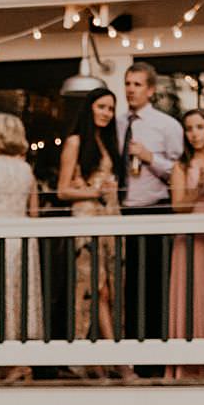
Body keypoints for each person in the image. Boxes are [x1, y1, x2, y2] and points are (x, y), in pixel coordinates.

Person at [57, 87, 125, 376]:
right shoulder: (75, 141)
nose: (106, 114)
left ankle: (102, 358)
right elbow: (62, 190)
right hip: (86, 219)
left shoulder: (107, 141)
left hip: (109, 218)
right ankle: (113, 358)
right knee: (94, 289)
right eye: (101, 107)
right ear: (90, 108)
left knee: (111, 288)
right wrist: (93, 191)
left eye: (110, 109)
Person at [0, 111, 42, 381]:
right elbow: (34, 212)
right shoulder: (26, 170)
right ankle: (20, 360)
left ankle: (8, 360)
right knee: (21, 295)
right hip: (24, 236)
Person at [119, 61, 184, 341]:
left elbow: (180, 170)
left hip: (154, 209)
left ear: (151, 90)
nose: (131, 90)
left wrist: (150, 158)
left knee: (154, 284)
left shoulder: (167, 125)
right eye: (128, 84)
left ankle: (156, 350)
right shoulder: (117, 122)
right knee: (126, 286)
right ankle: (132, 349)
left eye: (137, 84)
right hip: (121, 212)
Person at [167, 106, 204, 377]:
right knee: (190, 294)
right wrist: (197, 190)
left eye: (200, 127)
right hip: (189, 239)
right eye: (189, 129)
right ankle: (187, 363)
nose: (195, 134)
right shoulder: (181, 165)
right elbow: (178, 206)